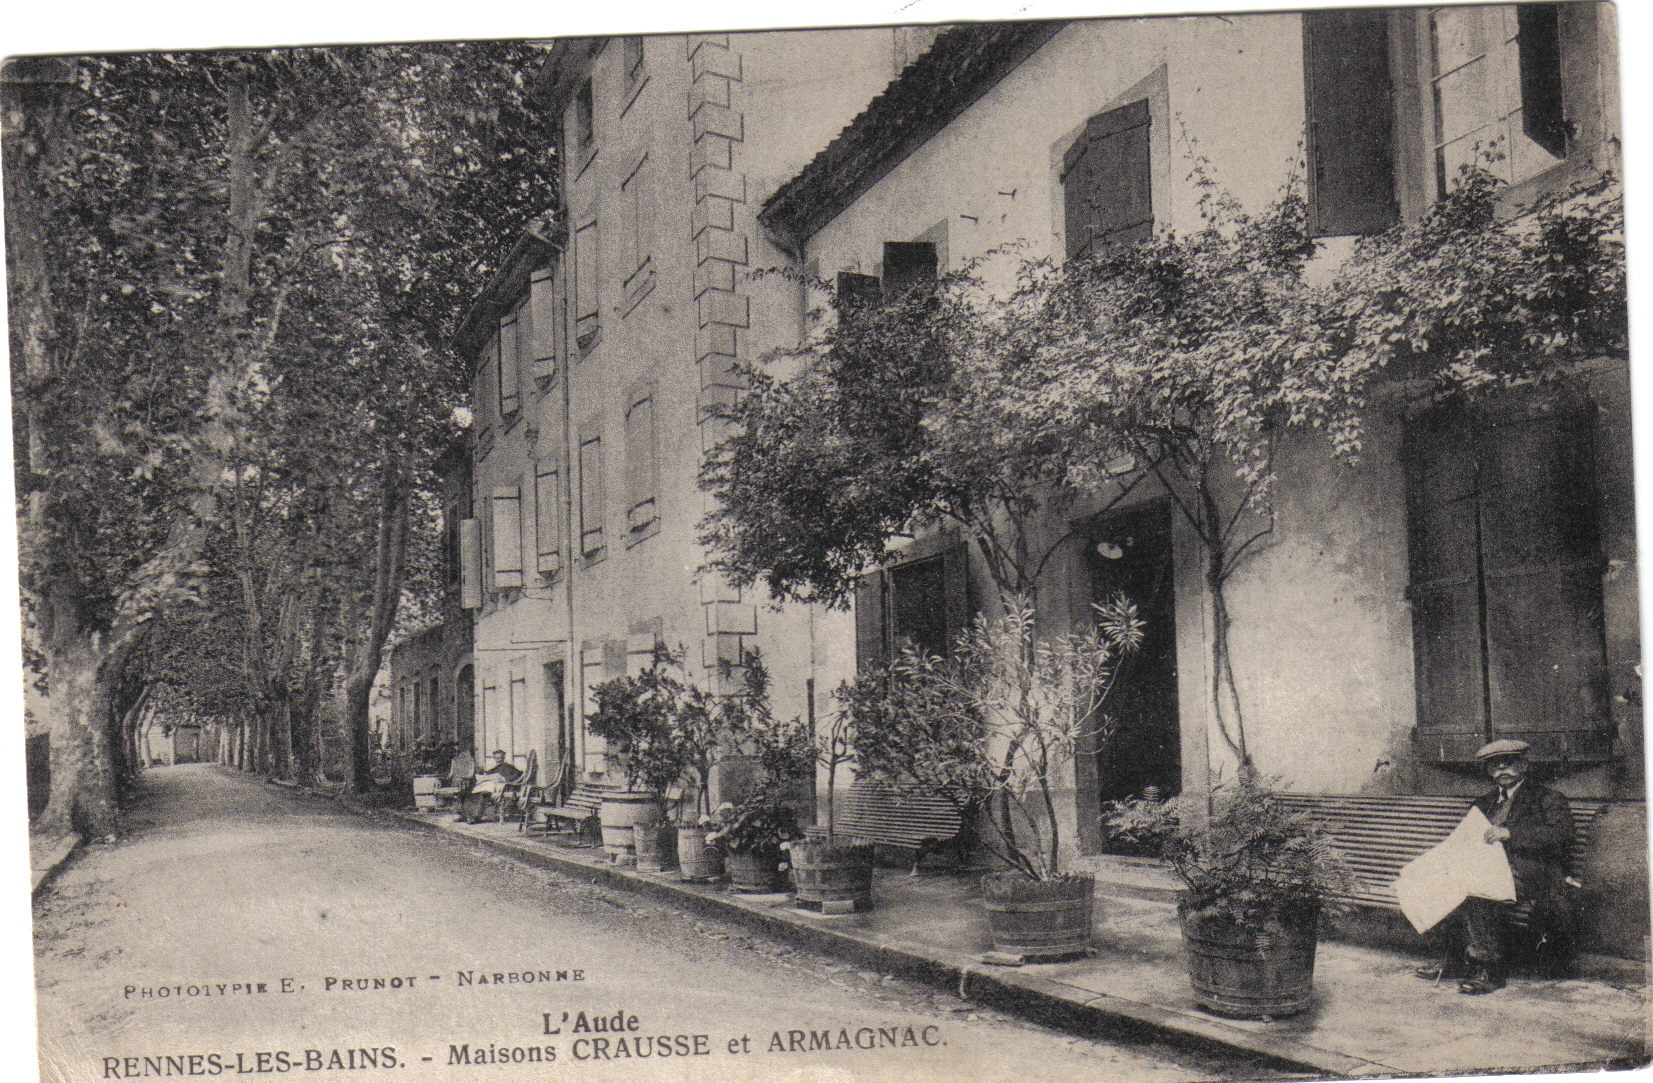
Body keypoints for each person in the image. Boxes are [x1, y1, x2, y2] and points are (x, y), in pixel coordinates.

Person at [1415, 739, 1575, 994]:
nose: (1502, 769)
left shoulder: (1547, 798)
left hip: (1533, 872)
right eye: (1495, 764)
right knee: (1440, 881)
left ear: (1524, 765)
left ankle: (1489, 969)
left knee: (1478, 889)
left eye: (1509, 762)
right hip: (1489, 868)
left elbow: (1562, 835)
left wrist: (1510, 833)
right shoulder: (1484, 802)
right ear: (1489, 770)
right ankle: (1454, 959)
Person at [461, 750, 522, 824]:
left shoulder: (509, 767)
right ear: (494, 759)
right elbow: (487, 774)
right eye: (497, 758)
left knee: (484, 793)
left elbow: (519, 774)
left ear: (503, 758)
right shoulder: (494, 769)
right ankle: (468, 815)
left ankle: (477, 816)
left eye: (501, 758)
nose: (499, 760)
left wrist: (505, 779)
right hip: (492, 786)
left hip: (504, 787)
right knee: (475, 792)